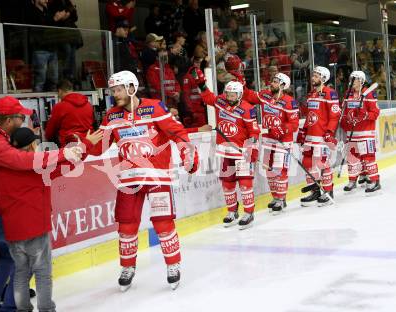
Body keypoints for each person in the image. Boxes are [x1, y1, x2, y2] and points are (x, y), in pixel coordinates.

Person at [89, 70, 199, 291]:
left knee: (163, 223)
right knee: (126, 225)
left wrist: (189, 154)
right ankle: (127, 267)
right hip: (129, 178)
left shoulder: (155, 107)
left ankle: (173, 264)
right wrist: (84, 144)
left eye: (118, 89)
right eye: (112, 91)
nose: (115, 94)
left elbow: (177, 133)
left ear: (131, 88)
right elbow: (99, 146)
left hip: (157, 175)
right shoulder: (111, 116)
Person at [0, 96, 82, 312]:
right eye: (20, 117)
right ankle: (8, 306)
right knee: (20, 261)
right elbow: (23, 161)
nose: (24, 120)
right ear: (8, 120)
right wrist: (66, 153)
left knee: (9, 257)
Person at [0, 127, 100, 312]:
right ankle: (46, 308)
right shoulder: (38, 168)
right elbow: (68, 164)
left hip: (12, 230)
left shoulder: (0, 171)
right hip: (35, 228)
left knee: (20, 272)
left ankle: (23, 308)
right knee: (42, 273)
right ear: (33, 145)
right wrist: (87, 144)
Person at [192, 69, 260, 229]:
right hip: (225, 151)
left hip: (242, 152)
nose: (229, 98)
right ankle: (232, 211)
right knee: (227, 183)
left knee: (245, 183)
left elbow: (254, 131)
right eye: (227, 94)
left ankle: (249, 213)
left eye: (232, 95)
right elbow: (208, 98)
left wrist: (252, 151)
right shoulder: (221, 101)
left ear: (240, 95)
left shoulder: (248, 109)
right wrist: (202, 84)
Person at [243, 73, 299, 213]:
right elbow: (248, 95)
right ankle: (275, 197)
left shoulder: (289, 101)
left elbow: (294, 124)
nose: (271, 83)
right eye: (272, 81)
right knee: (269, 171)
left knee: (280, 171)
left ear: (282, 85)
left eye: (275, 82)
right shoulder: (265, 95)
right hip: (268, 140)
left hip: (283, 142)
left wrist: (281, 129)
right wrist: (240, 80)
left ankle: (282, 199)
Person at [297, 66, 341, 207]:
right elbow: (310, 116)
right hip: (310, 137)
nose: (313, 78)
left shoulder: (330, 93)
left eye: (316, 76)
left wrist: (329, 132)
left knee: (322, 164)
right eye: (313, 75)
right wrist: (303, 131)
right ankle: (315, 191)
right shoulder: (312, 94)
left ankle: (328, 191)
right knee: (308, 164)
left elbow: (335, 116)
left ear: (323, 78)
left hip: (322, 137)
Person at [340, 71, 381, 193]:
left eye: (354, 79)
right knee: (352, 158)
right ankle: (352, 180)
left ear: (361, 81)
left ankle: (375, 181)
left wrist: (365, 115)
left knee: (368, 158)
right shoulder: (348, 94)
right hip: (351, 133)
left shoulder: (368, 94)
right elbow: (343, 111)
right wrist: (345, 121)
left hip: (365, 133)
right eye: (351, 79)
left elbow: (376, 113)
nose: (351, 81)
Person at [45, 79, 95, 146]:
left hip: (70, 146)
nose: (59, 96)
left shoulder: (59, 107)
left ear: (60, 91)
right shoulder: (88, 104)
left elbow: (50, 132)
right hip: (89, 142)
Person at [182, 57, 207, 128]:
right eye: (197, 62)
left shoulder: (200, 74)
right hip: (195, 110)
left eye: (199, 62)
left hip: (202, 108)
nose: (199, 64)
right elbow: (186, 95)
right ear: (193, 63)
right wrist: (191, 111)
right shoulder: (189, 76)